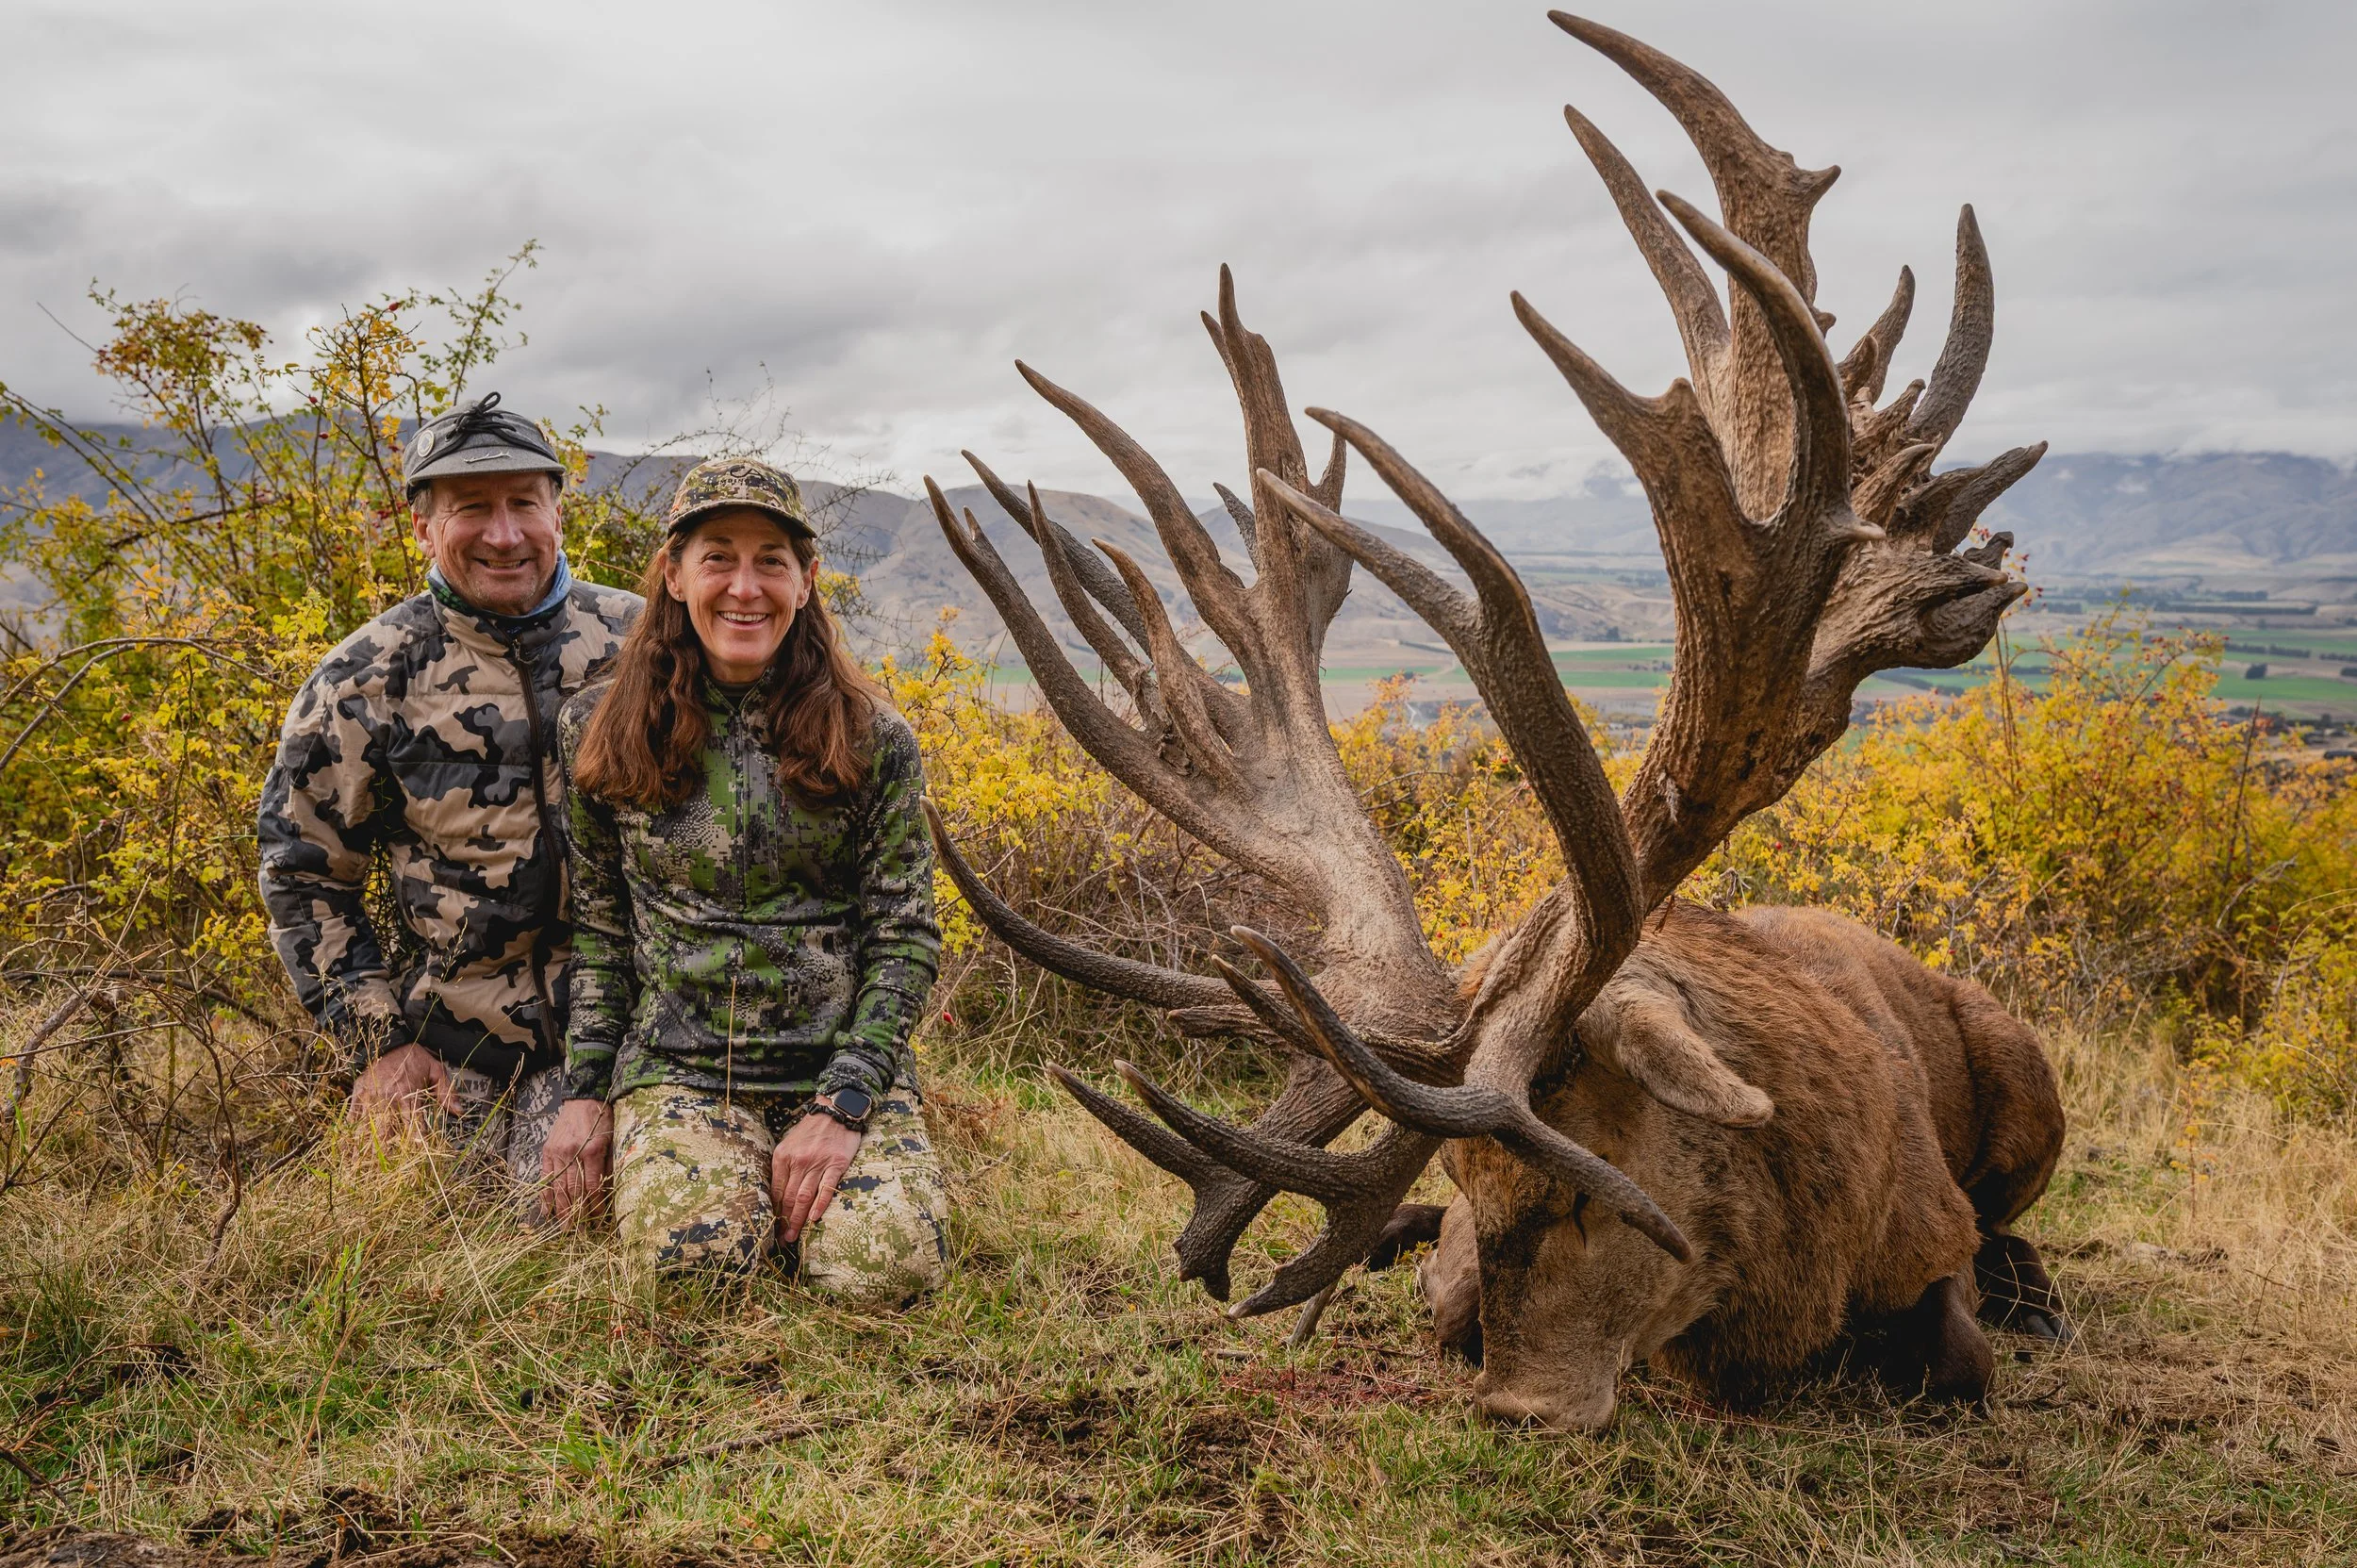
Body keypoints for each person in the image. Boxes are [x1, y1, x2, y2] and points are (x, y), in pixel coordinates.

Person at [540, 457, 948, 1302]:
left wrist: (845, 1101)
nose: (744, 586)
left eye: (771, 561)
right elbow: (601, 936)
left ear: (806, 581)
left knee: (885, 1272)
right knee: (692, 1273)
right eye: (718, 557)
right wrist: (585, 1093)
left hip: (837, 1069)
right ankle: (738, 1201)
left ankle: (831, 1197)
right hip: (680, 1071)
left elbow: (905, 939)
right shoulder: (600, 728)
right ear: (674, 574)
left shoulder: (873, 738)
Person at [258, 394, 641, 1188]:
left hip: (626, 1031)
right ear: (424, 528)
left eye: (523, 503)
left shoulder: (643, 647)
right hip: (451, 1040)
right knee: (408, 1210)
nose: (504, 534)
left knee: (567, 1211)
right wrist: (378, 1042)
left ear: (558, 513)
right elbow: (302, 870)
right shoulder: (363, 680)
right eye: (471, 508)